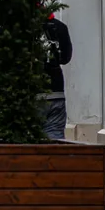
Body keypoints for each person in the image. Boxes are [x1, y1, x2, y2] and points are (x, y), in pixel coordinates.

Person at [42, 11, 73, 140]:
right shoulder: (60, 27)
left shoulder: (21, 29)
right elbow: (65, 58)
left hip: (31, 94)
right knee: (54, 140)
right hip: (56, 91)